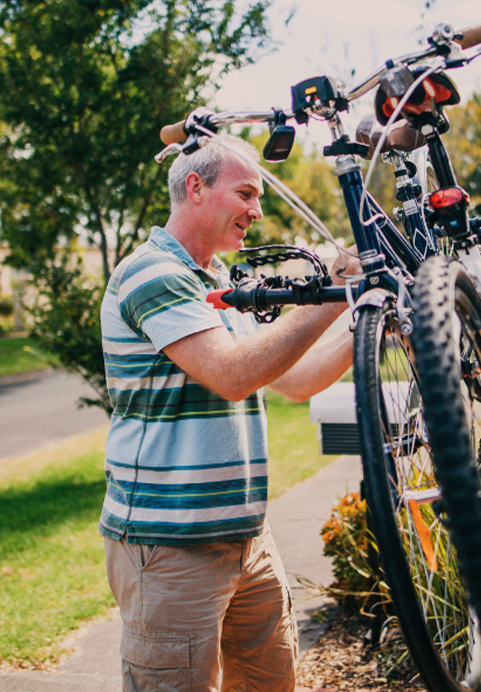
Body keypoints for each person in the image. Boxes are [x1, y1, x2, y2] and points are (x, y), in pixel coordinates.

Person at [99, 132, 357, 691]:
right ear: (196, 187)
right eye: (245, 193)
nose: (256, 211)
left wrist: (371, 328)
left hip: (248, 541)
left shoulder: (219, 282)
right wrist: (334, 285)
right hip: (170, 546)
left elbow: (294, 380)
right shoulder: (151, 274)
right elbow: (234, 374)